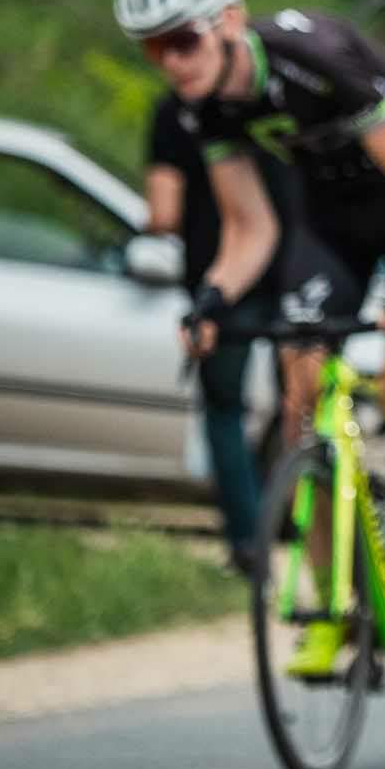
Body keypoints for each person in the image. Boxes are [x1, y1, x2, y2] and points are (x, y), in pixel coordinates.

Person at [112, 0, 385, 675]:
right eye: (153, 49)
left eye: (182, 40)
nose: (171, 63)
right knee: (301, 409)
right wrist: (213, 299)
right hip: (332, 219)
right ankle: (330, 607)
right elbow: (251, 227)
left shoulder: (310, 59)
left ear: (228, 21)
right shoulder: (203, 110)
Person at [146, 83, 298, 576]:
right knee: (301, 408)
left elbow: (163, 212)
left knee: (225, 411)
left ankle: (250, 542)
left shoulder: (176, 111)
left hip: (221, 284)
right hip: (296, 274)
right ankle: (302, 532)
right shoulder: (279, 95)